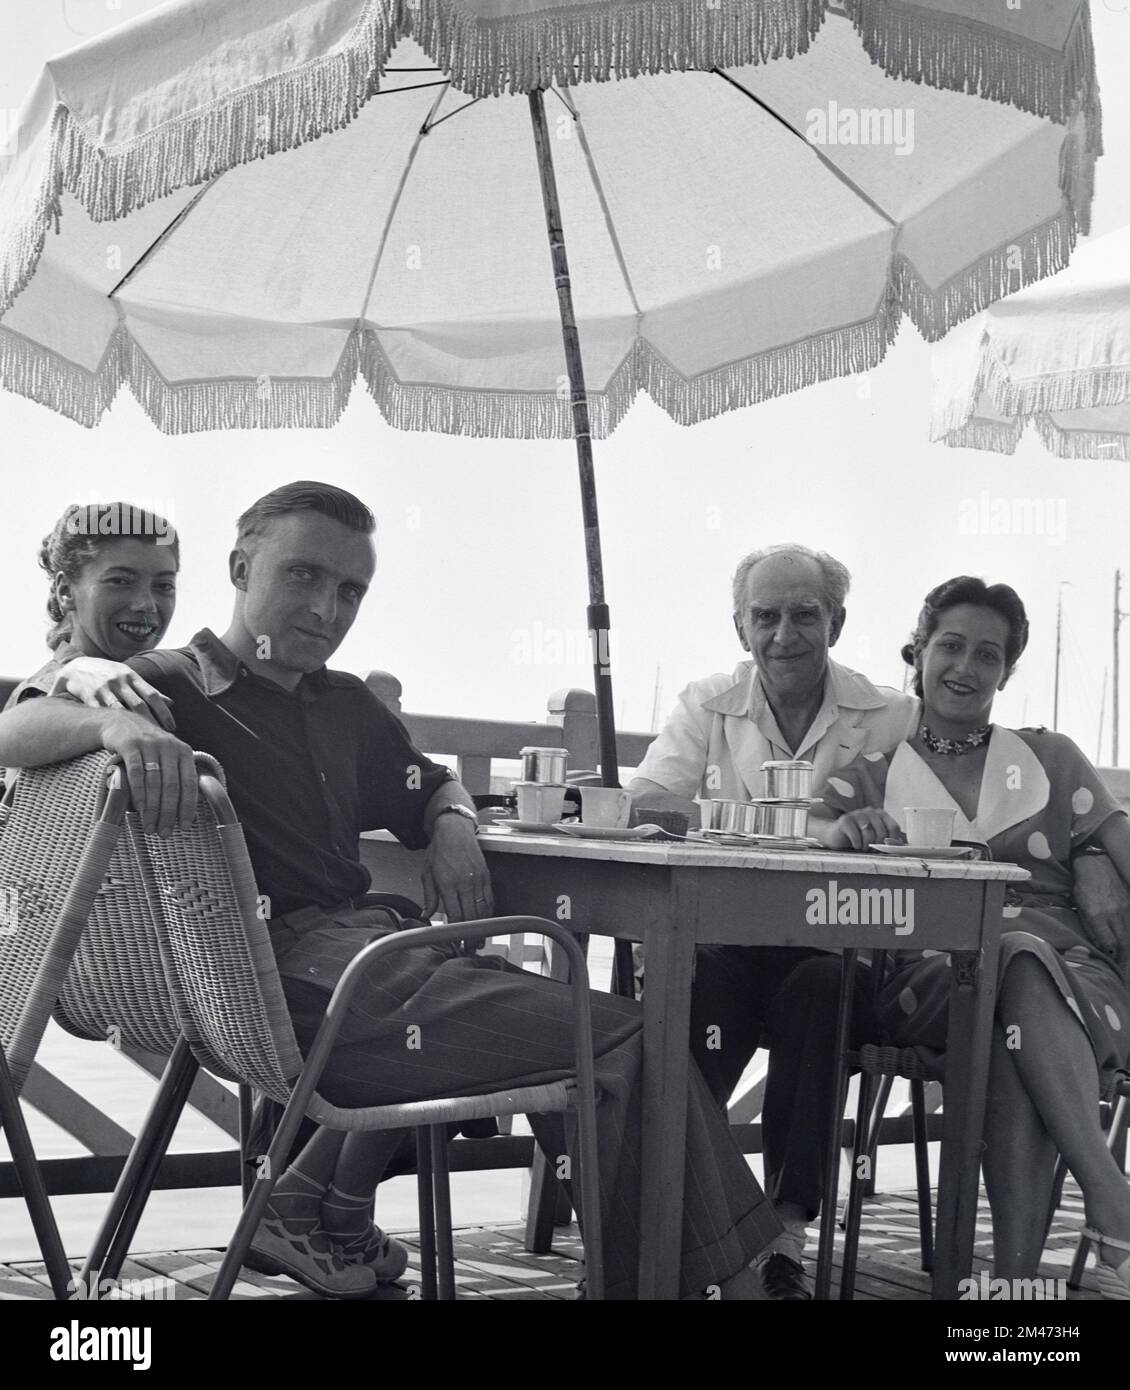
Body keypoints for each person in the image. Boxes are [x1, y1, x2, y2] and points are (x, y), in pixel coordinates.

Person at [0, 481, 781, 1301]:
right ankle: (711, 1278)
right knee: (625, 1040)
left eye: (349, 591)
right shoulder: (175, 682)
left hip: (340, 981)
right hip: (309, 992)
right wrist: (115, 725)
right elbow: (14, 727)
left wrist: (447, 819)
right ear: (238, 567)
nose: (327, 609)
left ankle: (328, 1201)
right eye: (302, 576)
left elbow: (431, 783)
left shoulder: (344, 703)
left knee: (575, 1027)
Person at [810, 576, 1130, 1298]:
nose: (965, 667)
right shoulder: (872, 775)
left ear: (1007, 671)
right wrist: (840, 833)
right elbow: (804, 834)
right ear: (918, 652)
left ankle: (1011, 1296)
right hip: (926, 978)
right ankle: (1110, 1197)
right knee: (1006, 959)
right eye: (949, 646)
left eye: (988, 655)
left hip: (1074, 983)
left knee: (1014, 1001)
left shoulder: (1052, 761)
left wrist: (1096, 853)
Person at [629, 543, 918, 1298]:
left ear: (838, 622)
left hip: (835, 939)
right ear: (739, 626)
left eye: (804, 614)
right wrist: (797, 830)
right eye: (766, 616)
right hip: (723, 934)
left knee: (822, 991)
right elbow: (649, 807)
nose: (784, 634)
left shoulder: (894, 714)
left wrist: (1087, 847)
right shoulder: (707, 702)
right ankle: (681, 1208)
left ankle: (784, 1233)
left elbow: (965, 780)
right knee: (693, 992)